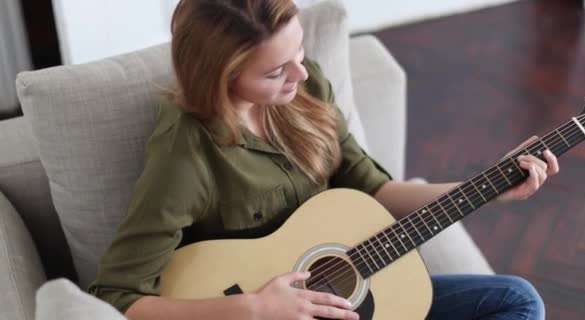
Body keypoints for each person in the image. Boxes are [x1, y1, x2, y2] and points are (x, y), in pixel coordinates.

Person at [88, 0, 558, 319]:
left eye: (299, 51)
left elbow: (371, 188)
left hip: (348, 289)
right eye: (275, 72)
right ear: (219, 77)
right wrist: (253, 307)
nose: (300, 73)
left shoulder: (306, 86)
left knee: (515, 300)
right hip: (257, 309)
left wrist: (488, 185)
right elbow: (117, 295)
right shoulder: (185, 157)